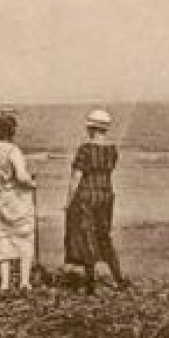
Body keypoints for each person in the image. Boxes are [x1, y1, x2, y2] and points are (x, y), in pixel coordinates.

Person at [63, 108, 129, 295]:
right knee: (104, 236)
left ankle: (90, 283)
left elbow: (76, 176)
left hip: (86, 195)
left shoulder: (85, 149)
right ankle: (118, 277)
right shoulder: (112, 149)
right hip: (106, 194)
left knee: (87, 237)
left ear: (90, 128)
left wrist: (68, 202)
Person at [0, 113, 38, 292]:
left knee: (2, 239)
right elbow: (21, 177)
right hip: (16, 197)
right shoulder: (13, 150)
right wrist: (32, 183)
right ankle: (24, 281)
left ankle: (5, 283)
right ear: (12, 131)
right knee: (24, 237)